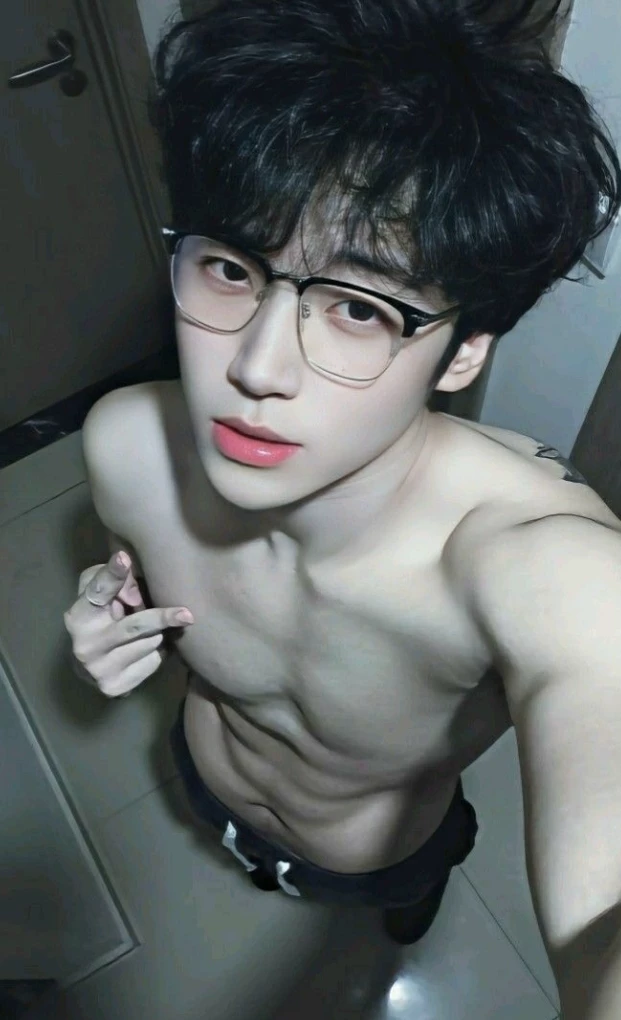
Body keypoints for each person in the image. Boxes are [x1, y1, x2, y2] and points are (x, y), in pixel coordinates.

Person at [64, 0, 621, 1009]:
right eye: (231, 268)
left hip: (381, 853)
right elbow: (143, 583)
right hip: (205, 775)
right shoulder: (125, 445)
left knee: (406, 906)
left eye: (360, 307)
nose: (257, 368)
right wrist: (114, 610)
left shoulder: (536, 560)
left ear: (463, 352)